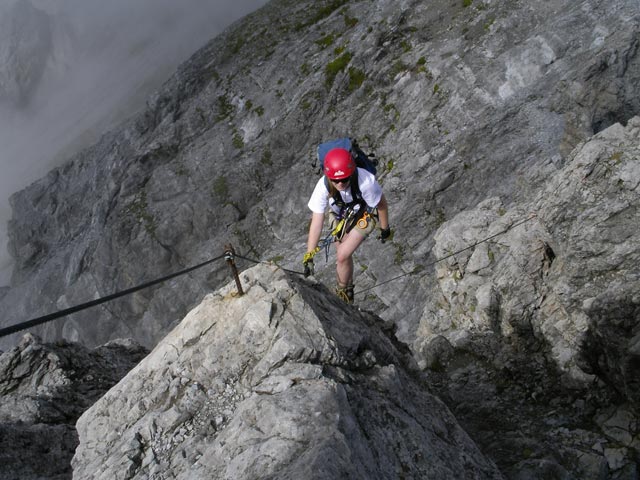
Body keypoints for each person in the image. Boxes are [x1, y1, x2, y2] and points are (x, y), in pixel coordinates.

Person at [303, 147, 390, 303]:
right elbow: (317, 221)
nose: (341, 183)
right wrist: (309, 256)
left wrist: (385, 228)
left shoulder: (365, 181)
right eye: (336, 180)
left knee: (342, 255)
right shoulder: (323, 186)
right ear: (329, 177)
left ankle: (342, 293)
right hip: (339, 215)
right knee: (343, 256)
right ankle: (347, 291)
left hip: (365, 215)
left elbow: (381, 204)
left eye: (345, 179)